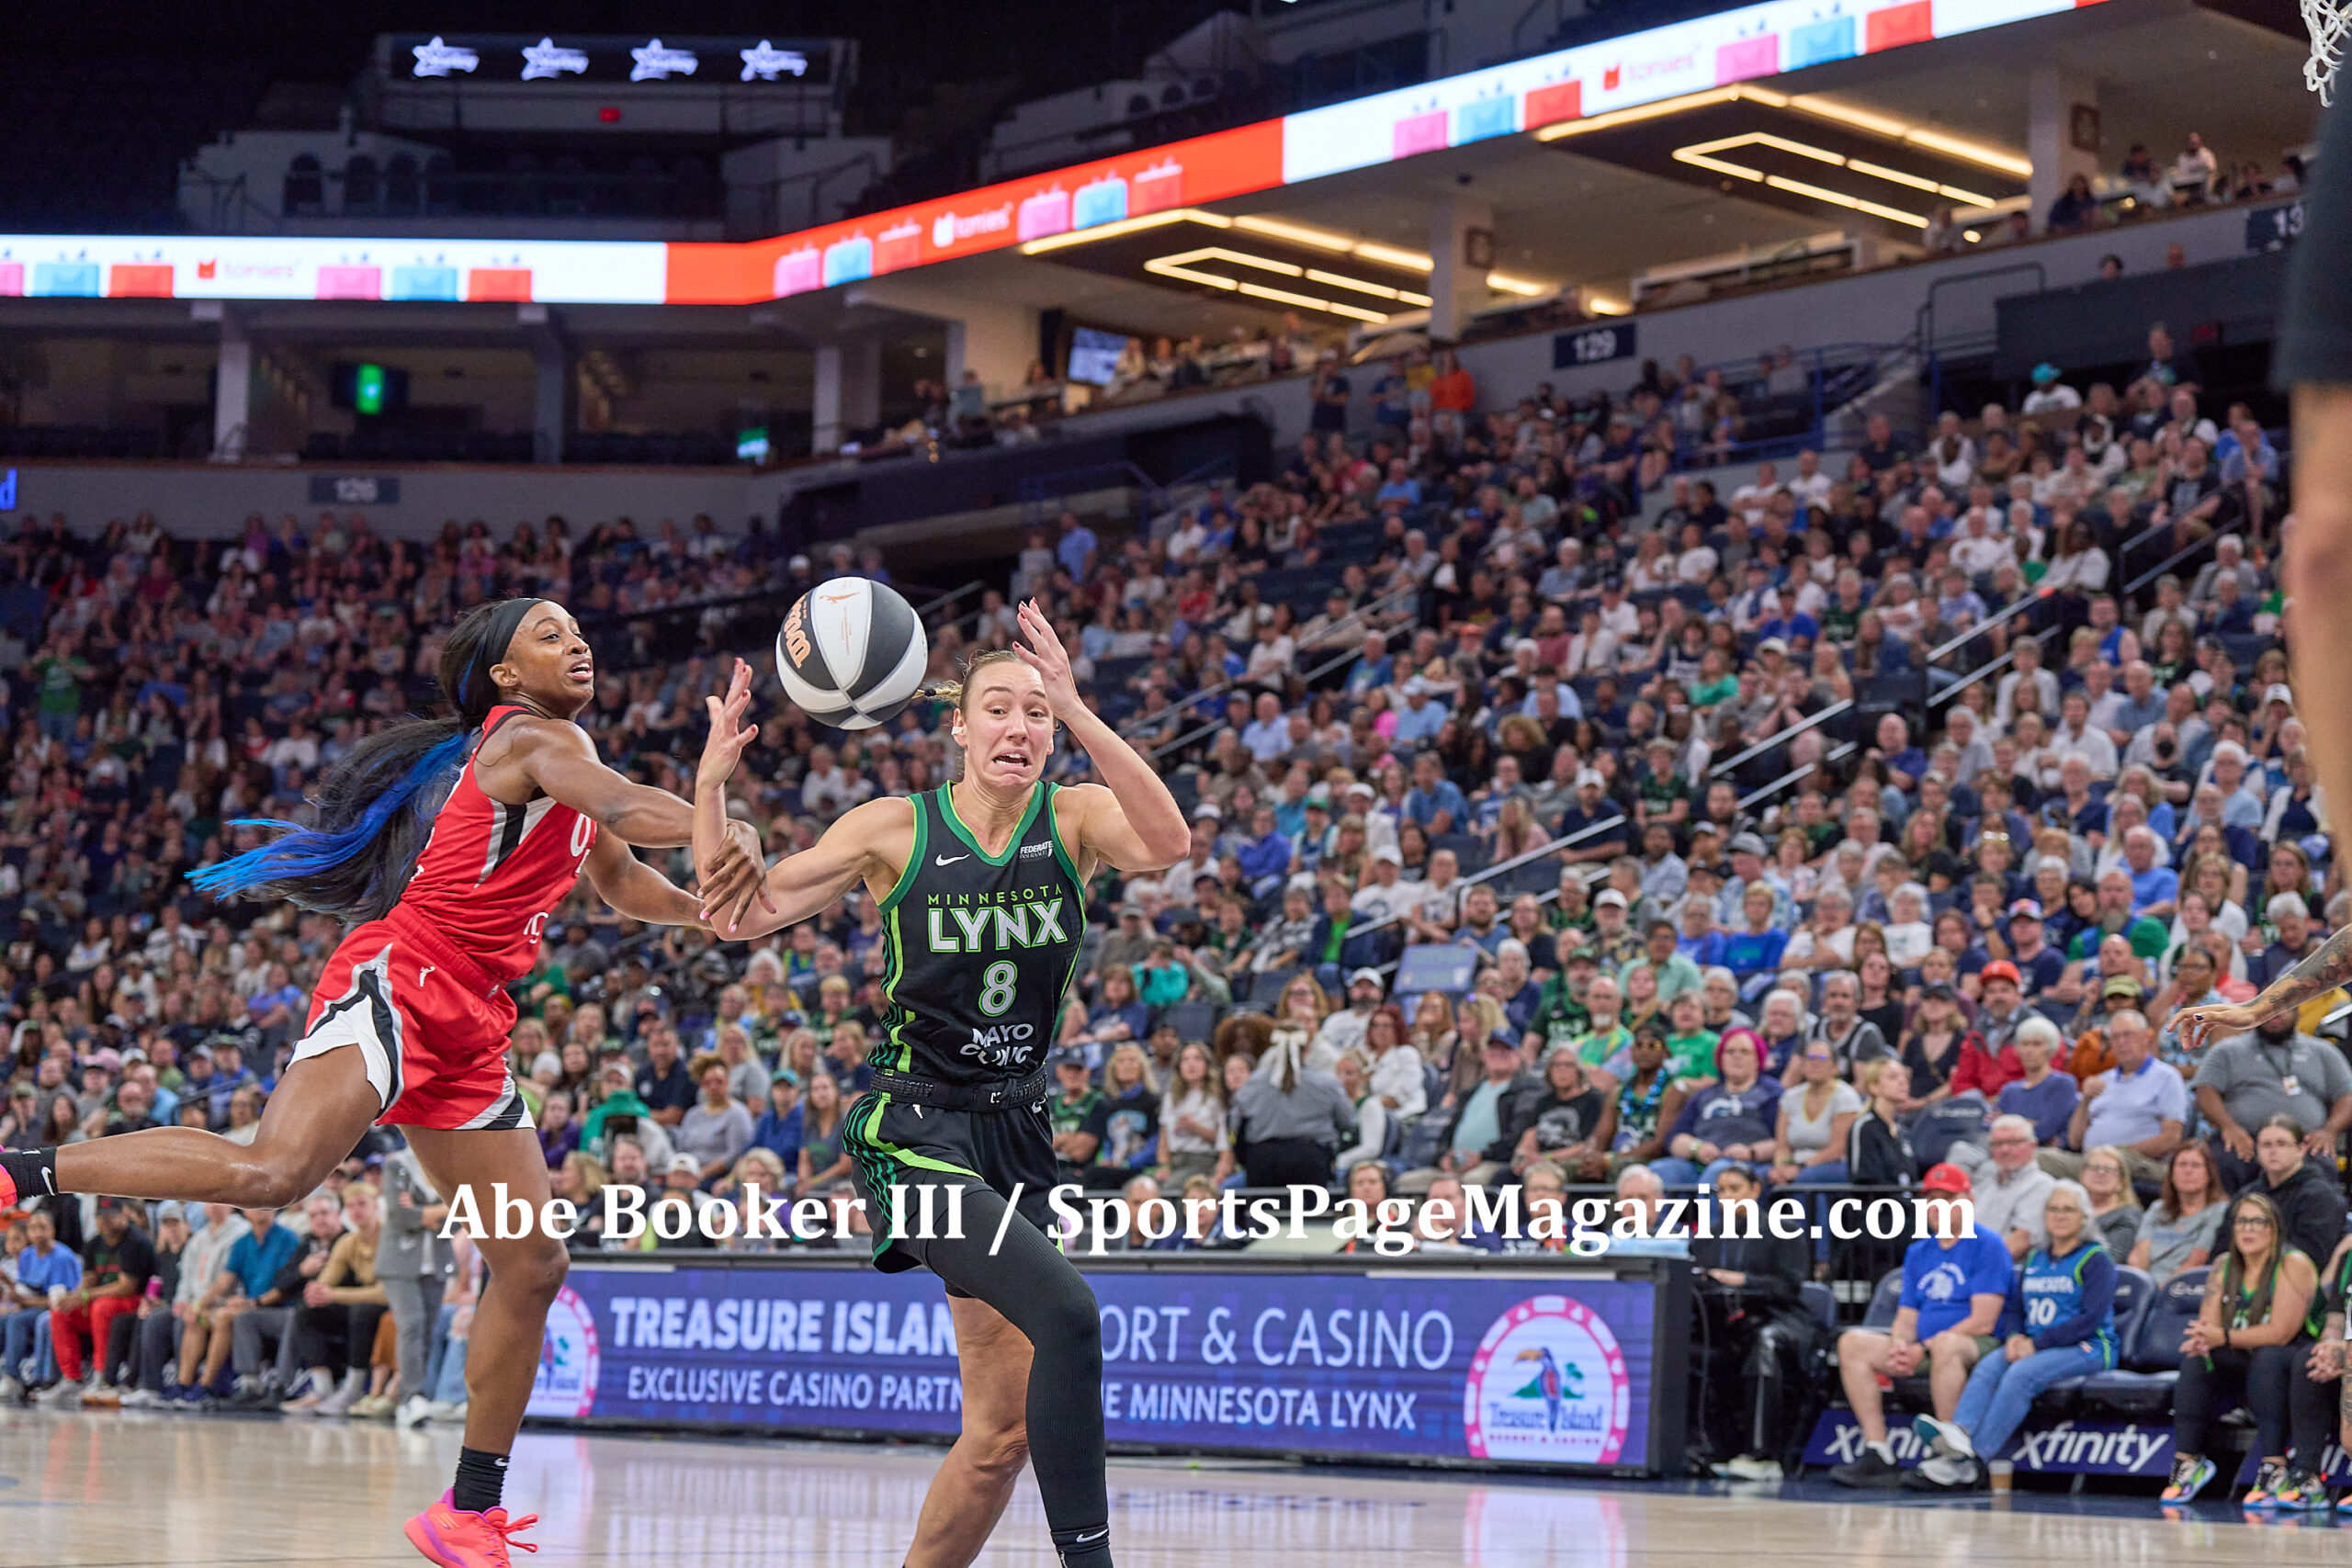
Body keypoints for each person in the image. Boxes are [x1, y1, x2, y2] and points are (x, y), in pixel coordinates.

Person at [0, 599, 765, 1564]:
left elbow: (615, 874)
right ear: (504, 677)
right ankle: (21, 1171)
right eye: (549, 633)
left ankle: (467, 1510)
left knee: (534, 1262)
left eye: (578, 631)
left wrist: (704, 910)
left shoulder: (567, 763)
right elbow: (624, 809)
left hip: (472, 1025)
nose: (575, 642)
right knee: (274, 1173)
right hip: (403, 979)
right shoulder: (533, 739)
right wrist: (715, 813)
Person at [690, 607, 1189, 1568]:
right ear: (958, 725)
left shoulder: (1075, 817)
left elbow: (1168, 842)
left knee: (1000, 1437)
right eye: (998, 708)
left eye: (1037, 713)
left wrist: (1081, 708)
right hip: (913, 1130)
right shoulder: (892, 827)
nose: (1019, 727)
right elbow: (734, 916)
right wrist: (713, 786)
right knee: (1070, 1314)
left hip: (1019, 1129)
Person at [1905, 1180, 2118, 1492]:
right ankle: (1959, 1434)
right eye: (2053, 1209)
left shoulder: (2096, 1259)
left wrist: (2037, 1343)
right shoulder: (2036, 1258)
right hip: (2035, 1344)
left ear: (2084, 1217)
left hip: (2087, 1347)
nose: (2060, 1216)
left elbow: (2090, 1319)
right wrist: (2016, 1336)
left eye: (2068, 1210)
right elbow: (2016, 1307)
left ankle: (1973, 1460)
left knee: (2020, 1375)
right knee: (1989, 1366)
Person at [1827, 1163, 2014, 1487]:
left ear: (1968, 1201)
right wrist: (1900, 1344)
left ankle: (1953, 1456)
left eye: (1947, 1198)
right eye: (1931, 1200)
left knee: (1947, 1345)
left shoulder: (1988, 1245)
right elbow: (1906, 1316)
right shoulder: (1918, 1251)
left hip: (1977, 1345)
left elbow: (1983, 1321)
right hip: (1925, 1346)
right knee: (1852, 1342)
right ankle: (1878, 1450)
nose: (1937, 1207)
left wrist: (1922, 1348)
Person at [2160, 1190, 2330, 1507]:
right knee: (2196, 1360)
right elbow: (2209, 1328)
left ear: (2274, 1228)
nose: (2248, 1229)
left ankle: (2274, 1465)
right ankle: (2188, 1461)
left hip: (2294, 1360)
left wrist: (2221, 1337)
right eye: (2241, 1222)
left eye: (2257, 1222)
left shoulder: (2293, 1263)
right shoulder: (2223, 1265)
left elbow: (2280, 1333)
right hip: (2245, 1358)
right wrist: (2202, 1340)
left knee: (2268, 1357)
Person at [1690, 1161, 1820, 1480]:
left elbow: (1789, 1287)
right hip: (1725, 1322)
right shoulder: (1707, 1237)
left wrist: (1741, 1280)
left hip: (1781, 1318)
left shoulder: (1783, 1230)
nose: (1726, 1197)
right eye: (1721, 1190)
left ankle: (1761, 1454)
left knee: (1765, 1343)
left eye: (1734, 1189)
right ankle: (1706, 1447)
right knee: (1688, 1345)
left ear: (1755, 1190)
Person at [2129, 1141, 2227, 1283]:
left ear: (2209, 1173)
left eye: (2196, 1165)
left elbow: (2197, 1261)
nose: (2188, 1171)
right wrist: (2143, 1287)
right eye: (2182, 1165)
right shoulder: (2157, 1208)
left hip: (2183, 1286)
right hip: (2147, 1285)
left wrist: (2163, 1290)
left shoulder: (2218, 1210)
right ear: (2172, 1173)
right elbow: (2138, 1255)